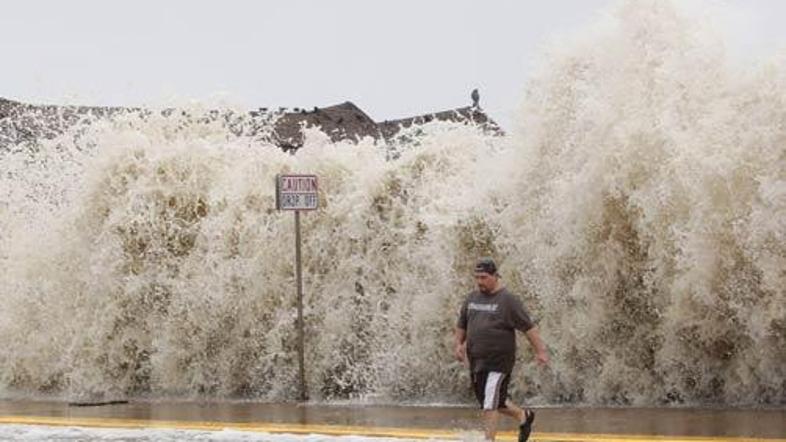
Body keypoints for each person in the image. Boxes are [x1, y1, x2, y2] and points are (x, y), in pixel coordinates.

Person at [454, 257, 549, 441]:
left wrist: (541, 351)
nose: (480, 282)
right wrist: (458, 344)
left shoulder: (508, 301)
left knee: (490, 401)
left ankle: (489, 439)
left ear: (495, 276)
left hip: (499, 361)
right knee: (491, 400)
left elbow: (529, 328)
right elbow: (462, 324)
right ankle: (524, 416)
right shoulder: (471, 299)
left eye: (484, 277)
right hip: (477, 360)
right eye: (477, 277)